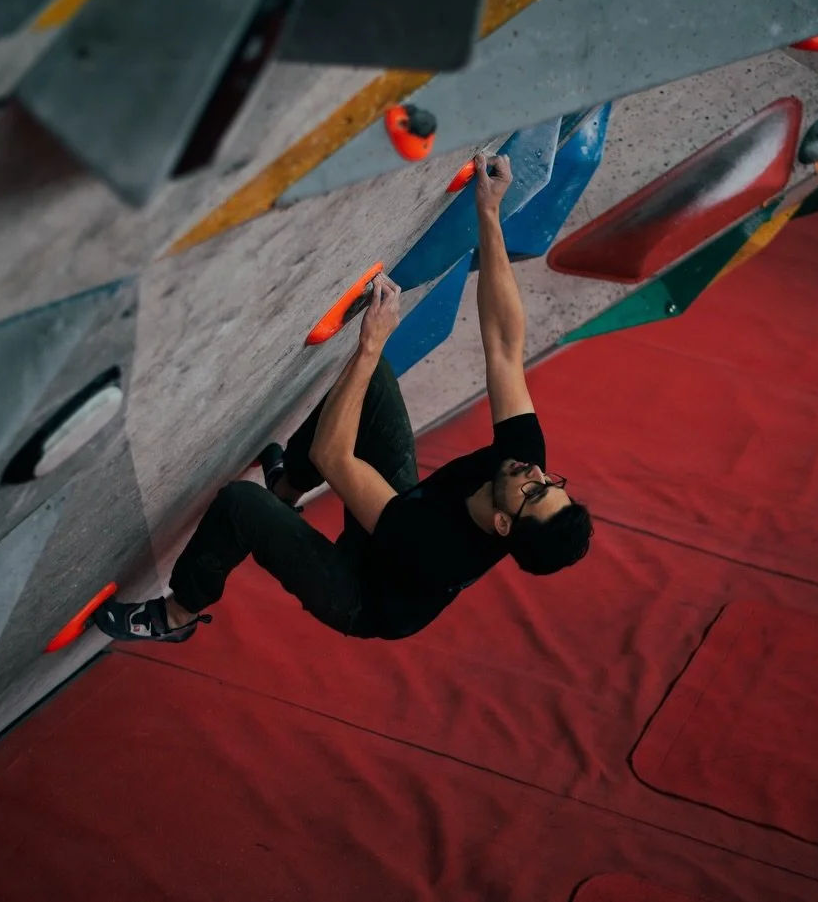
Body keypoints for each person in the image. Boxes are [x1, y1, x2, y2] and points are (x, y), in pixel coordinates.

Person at [95, 153, 593, 644]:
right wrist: (489, 210)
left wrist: (372, 343)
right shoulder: (523, 464)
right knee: (370, 387)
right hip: (401, 512)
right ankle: (286, 492)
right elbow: (506, 347)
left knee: (241, 503)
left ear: (503, 523)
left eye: (534, 491)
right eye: (550, 480)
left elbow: (332, 455)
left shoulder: (436, 550)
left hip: (359, 593)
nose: (534, 473)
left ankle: (178, 612)